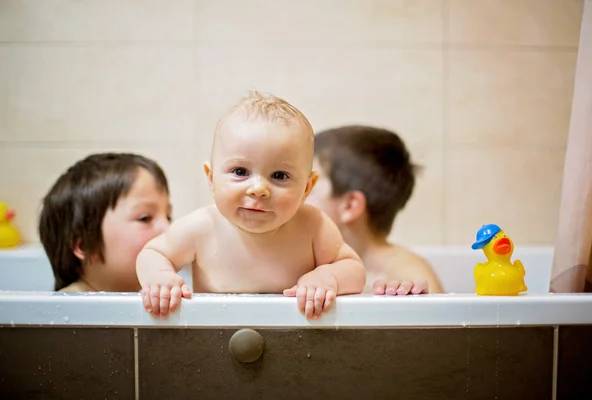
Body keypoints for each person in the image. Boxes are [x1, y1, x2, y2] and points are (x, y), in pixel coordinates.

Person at [136, 91, 366, 320]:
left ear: (307, 188)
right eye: (240, 172)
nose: (258, 188)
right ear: (211, 178)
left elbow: (354, 269)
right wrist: (159, 277)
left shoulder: (313, 226)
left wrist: (328, 277)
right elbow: (153, 253)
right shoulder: (201, 227)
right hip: (216, 337)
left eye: (279, 175)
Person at [307, 125, 443, 295]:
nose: (296, 198)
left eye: (309, 188)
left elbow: (439, 319)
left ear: (349, 206)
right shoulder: (314, 260)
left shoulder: (407, 274)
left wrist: (414, 302)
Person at [39, 153, 172, 292]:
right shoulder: (69, 306)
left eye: (169, 217)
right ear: (86, 245)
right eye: (145, 218)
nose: (168, 228)